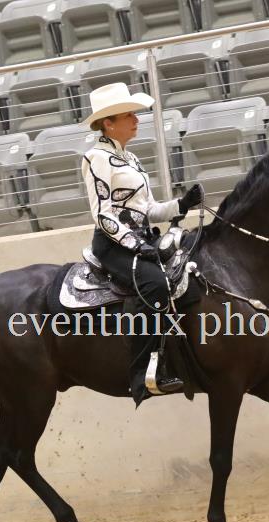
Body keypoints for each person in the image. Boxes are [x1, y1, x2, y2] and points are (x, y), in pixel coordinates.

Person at [80, 82, 203, 406]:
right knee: (155, 284)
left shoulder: (130, 158)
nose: (136, 119)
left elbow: (148, 210)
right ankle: (140, 376)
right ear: (108, 123)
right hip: (113, 245)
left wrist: (181, 204)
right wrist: (136, 245)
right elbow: (102, 214)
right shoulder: (96, 158)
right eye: (128, 115)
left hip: (142, 239)